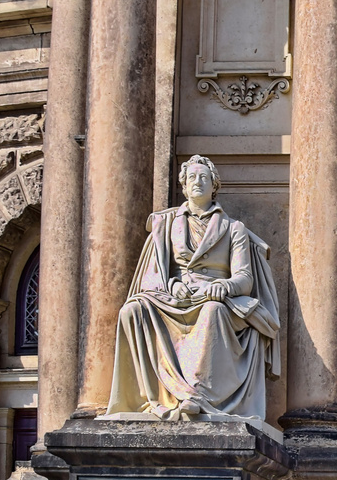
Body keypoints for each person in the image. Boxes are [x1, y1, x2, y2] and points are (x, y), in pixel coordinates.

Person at [106, 154, 282, 422]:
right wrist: (172, 284)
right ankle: (146, 398)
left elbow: (245, 278)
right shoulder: (166, 225)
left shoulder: (234, 228)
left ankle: (197, 396)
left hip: (214, 298)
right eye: (191, 178)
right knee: (132, 310)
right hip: (173, 298)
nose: (197, 182)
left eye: (204, 177)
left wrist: (224, 286)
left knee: (212, 312)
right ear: (184, 187)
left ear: (214, 185)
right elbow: (154, 274)